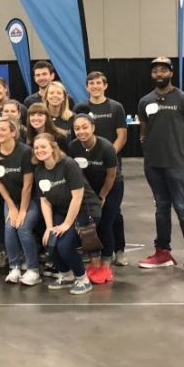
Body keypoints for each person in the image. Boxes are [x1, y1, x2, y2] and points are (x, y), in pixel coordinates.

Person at [137, 57, 184, 278]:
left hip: (177, 164)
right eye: (155, 71)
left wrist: (174, 142)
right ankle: (162, 252)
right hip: (153, 165)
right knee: (161, 209)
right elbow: (143, 131)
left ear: (171, 73)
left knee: (182, 209)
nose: (159, 74)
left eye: (163, 70)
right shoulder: (145, 101)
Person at [33, 133, 102, 295]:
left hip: (85, 210)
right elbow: (45, 201)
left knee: (64, 246)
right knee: (50, 243)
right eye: (36, 148)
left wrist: (66, 224)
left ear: (53, 147)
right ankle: (66, 275)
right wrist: (49, 227)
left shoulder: (68, 164)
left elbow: (77, 197)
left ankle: (83, 279)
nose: (39, 150)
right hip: (63, 210)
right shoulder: (39, 170)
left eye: (43, 146)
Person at [74, 70, 129, 265]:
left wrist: (107, 154)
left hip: (110, 167)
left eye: (99, 83)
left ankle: (119, 250)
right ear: (87, 87)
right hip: (88, 170)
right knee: (92, 212)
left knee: (113, 213)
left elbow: (122, 135)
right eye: (91, 83)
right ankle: (94, 251)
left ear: (105, 86)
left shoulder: (116, 107)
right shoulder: (81, 108)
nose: (95, 86)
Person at [0, 119, 41, 285]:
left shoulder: (25, 152)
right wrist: (11, 206)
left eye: (3, 130)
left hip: (31, 198)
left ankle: (33, 270)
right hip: (11, 200)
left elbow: (28, 185)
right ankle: (14, 267)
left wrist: (22, 211)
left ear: (13, 133)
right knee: (9, 228)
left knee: (22, 227)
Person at [69, 113, 122, 284]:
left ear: (93, 127)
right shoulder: (73, 147)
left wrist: (102, 196)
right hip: (87, 191)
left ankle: (106, 265)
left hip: (110, 188)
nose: (81, 131)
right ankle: (94, 263)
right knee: (89, 227)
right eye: (77, 128)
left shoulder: (106, 147)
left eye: (85, 127)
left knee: (105, 225)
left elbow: (111, 175)